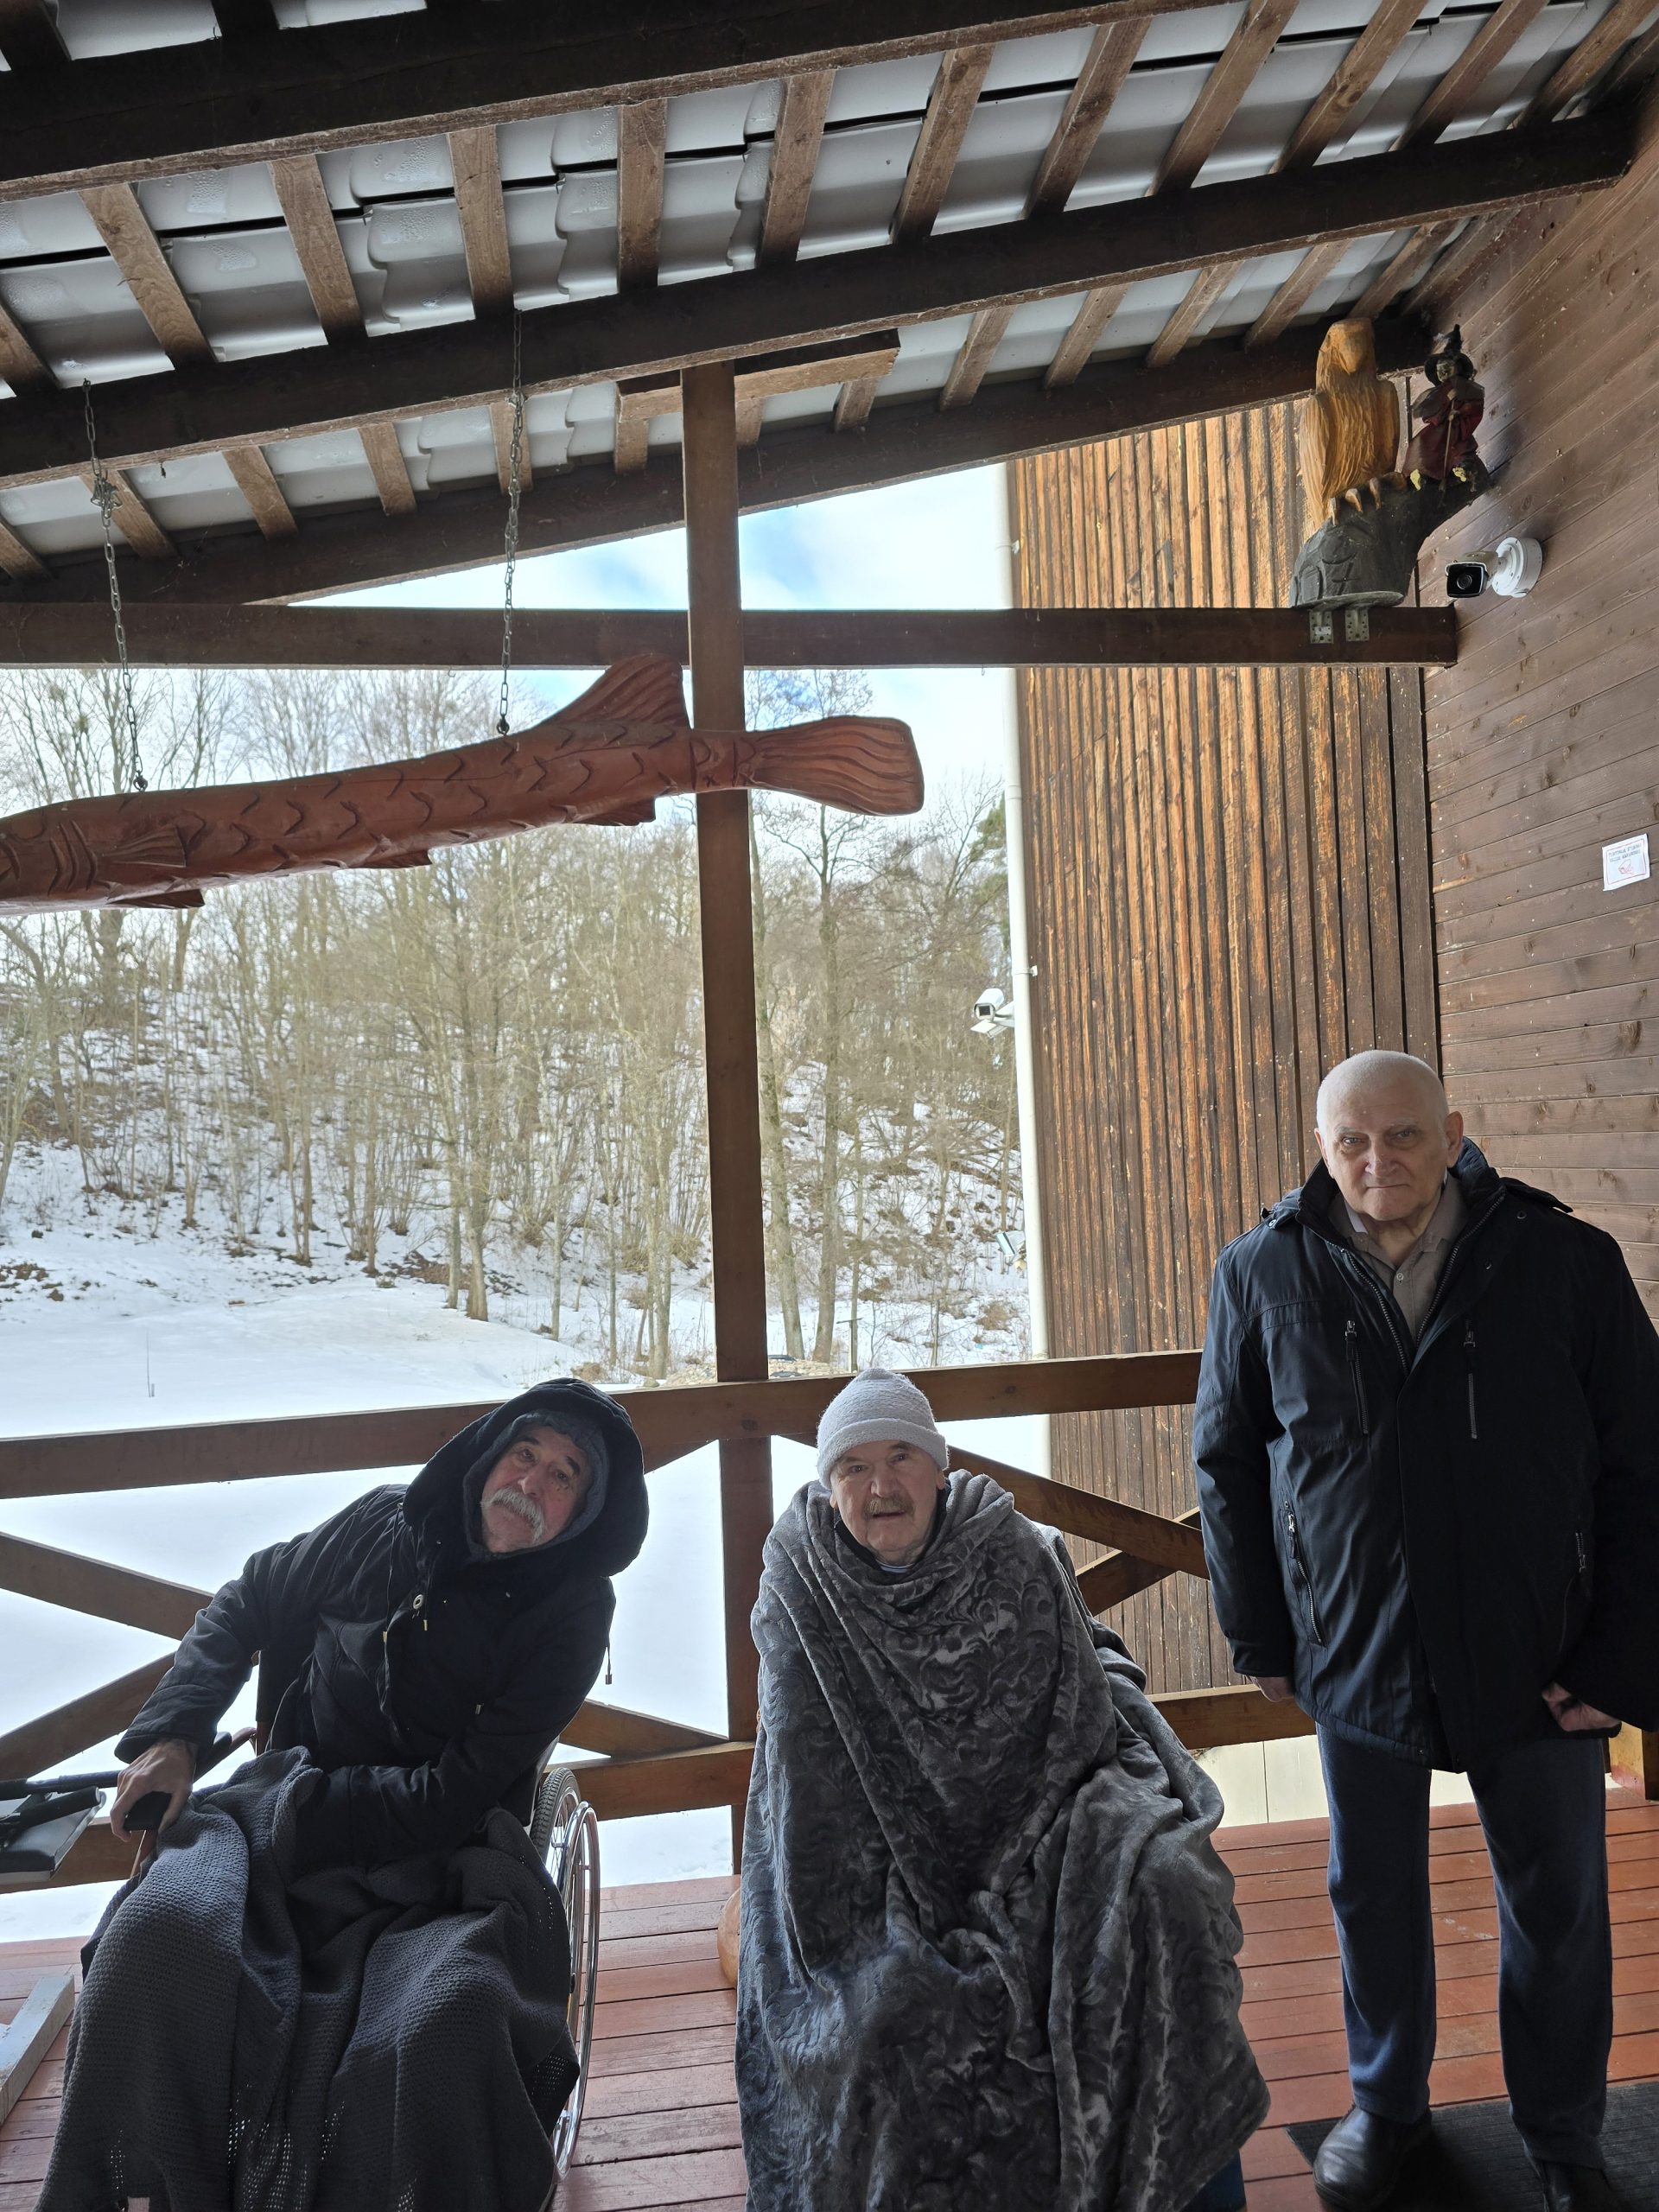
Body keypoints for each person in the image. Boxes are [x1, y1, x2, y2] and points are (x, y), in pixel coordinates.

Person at [1193, 1052, 1659, 2212]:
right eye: (1351, 1140)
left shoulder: (1564, 1260)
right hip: (1357, 1648)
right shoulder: (1263, 1270)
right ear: (1322, 1145)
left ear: (1452, 1132)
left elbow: (1644, 1465)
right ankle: (1386, 2109)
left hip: (1541, 1649)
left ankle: (1563, 2135)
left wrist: (1619, 1659)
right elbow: (1228, 1462)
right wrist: (1262, 1633)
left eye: (1402, 1135)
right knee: (1373, 1895)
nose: (1376, 1160)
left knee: (1557, 1907)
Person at [40, 1377, 647, 2212]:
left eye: (564, 1475)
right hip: (269, 1817)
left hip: (443, 1859)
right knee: (156, 1939)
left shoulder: (572, 1612)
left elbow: (458, 1791)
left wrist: (306, 1812)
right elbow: (249, 1599)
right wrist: (174, 1734)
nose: (531, 1484)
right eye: (525, 1453)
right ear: (487, 1457)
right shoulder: (384, 1525)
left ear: (585, 1511)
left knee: (449, 2018)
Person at [736, 1367, 1268, 2212]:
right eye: (854, 1468)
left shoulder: (1008, 1549)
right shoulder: (804, 1592)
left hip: (1044, 1830)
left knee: (1167, 1900)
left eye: (901, 1457)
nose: (880, 1487)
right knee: (888, 2008)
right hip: (879, 1875)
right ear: (829, 1487)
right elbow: (813, 1798)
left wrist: (1022, 1866)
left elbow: (1069, 1721)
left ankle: (1195, 2195)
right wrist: (915, 1904)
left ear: (939, 1466)